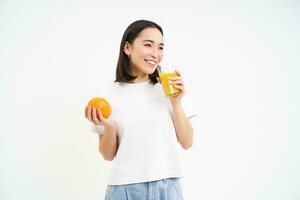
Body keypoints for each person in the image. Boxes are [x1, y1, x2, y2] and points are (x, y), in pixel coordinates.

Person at [85, 19, 196, 200]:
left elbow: (187, 142)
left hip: (167, 188)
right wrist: (110, 127)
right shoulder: (107, 96)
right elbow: (107, 155)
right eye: (148, 45)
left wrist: (176, 103)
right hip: (124, 190)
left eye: (160, 47)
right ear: (127, 48)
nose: (155, 53)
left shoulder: (169, 87)